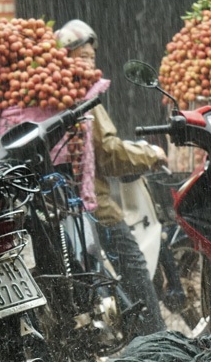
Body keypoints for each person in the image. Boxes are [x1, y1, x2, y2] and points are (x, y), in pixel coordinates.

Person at [55, 19, 168, 337]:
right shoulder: (82, 97)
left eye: (91, 58)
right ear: (64, 58)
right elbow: (108, 154)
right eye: (82, 57)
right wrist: (150, 155)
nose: (88, 64)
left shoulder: (49, 92)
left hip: (55, 203)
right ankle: (154, 339)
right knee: (134, 267)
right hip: (91, 205)